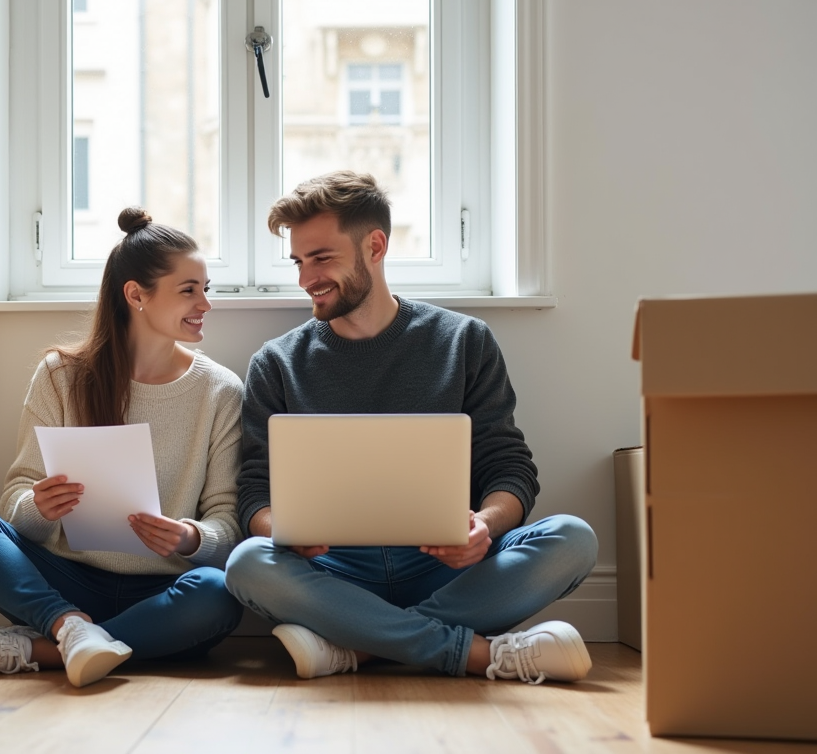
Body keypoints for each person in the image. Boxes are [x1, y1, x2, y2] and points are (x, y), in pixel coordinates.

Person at [224, 171, 598, 685]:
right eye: (298, 261)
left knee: (573, 539)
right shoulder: (277, 362)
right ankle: (476, 654)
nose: (306, 278)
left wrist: (484, 527)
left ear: (375, 246)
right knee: (247, 562)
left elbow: (509, 467)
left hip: (447, 568)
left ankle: (360, 646)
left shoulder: (463, 340)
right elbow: (254, 493)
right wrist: (285, 531)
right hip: (334, 574)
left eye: (322, 258)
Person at [0, 207, 245, 688]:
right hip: (66, 581)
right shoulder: (61, 376)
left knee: (219, 592)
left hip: (162, 592)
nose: (205, 303)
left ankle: (38, 649)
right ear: (136, 295)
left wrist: (189, 538)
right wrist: (39, 506)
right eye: (189, 290)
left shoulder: (220, 391)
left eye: (207, 288)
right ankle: (69, 627)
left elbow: (227, 520)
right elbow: (16, 501)